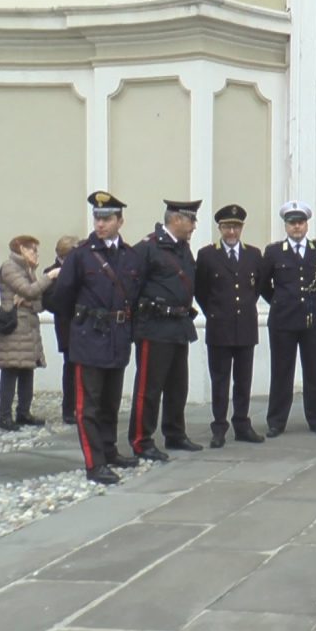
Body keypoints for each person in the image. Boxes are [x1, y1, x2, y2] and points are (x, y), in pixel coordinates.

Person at [49, 191, 146, 484]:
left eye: (107, 218)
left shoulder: (129, 256)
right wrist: (81, 326)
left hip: (118, 338)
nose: (100, 224)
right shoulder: (80, 255)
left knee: (110, 402)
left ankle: (109, 450)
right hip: (89, 337)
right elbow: (61, 298)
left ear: (120, 221)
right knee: (88, 406)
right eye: (97, 218)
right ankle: (95, 463)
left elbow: (134, 295)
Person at [128, 199, 203, 461]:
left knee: (177, 386)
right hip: (155, 327)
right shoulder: (148, 248)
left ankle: (175, 433)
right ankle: (141, 440)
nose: (194, 226)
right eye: (191, 220)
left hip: (179, 325)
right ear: (176, 220)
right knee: (149, 388)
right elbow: (131, 288)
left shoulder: (182, 248)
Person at [194, 204, 265, 448]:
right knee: (220, 381)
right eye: (227, 227)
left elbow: (256, 288)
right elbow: (201, 291)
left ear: (242, 228)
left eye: (235, 227)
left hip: (245, 327)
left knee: (243, 381)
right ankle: (219, 427)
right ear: (220, 228)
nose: (231, 232)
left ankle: (242, 424)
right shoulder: (207, 255)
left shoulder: (253, 254)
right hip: (219, 327)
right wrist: (215, 313)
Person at [261, 200, 316, 437]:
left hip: (312, 319)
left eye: (301, 222)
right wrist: (279, 301)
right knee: (281, 372)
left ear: (307, 224)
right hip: (283, 320)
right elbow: (263, 283)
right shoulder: (273, 252)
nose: (297, 227)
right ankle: (276, 421)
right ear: (285, 226)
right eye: (292, 223)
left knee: (313, 371)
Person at [0, 235, 59, 430]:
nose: (36, 254)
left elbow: (38, 302)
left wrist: (30, 300)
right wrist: (49, 276)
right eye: (33, 250)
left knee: (27, 370)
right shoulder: (10, 267)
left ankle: (24, 412)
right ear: (21, 249)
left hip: (29, 327)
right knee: (11, 370)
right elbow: (30, 291)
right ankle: (5, 416)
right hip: (14, 327)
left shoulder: (28, 270)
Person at [42, 235, 81, 425]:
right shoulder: (50, 272)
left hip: (82, 325)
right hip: (67, 326)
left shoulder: (78, 269)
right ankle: (68, 409)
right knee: (71, 368)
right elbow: (50, 302)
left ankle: (81, 406)